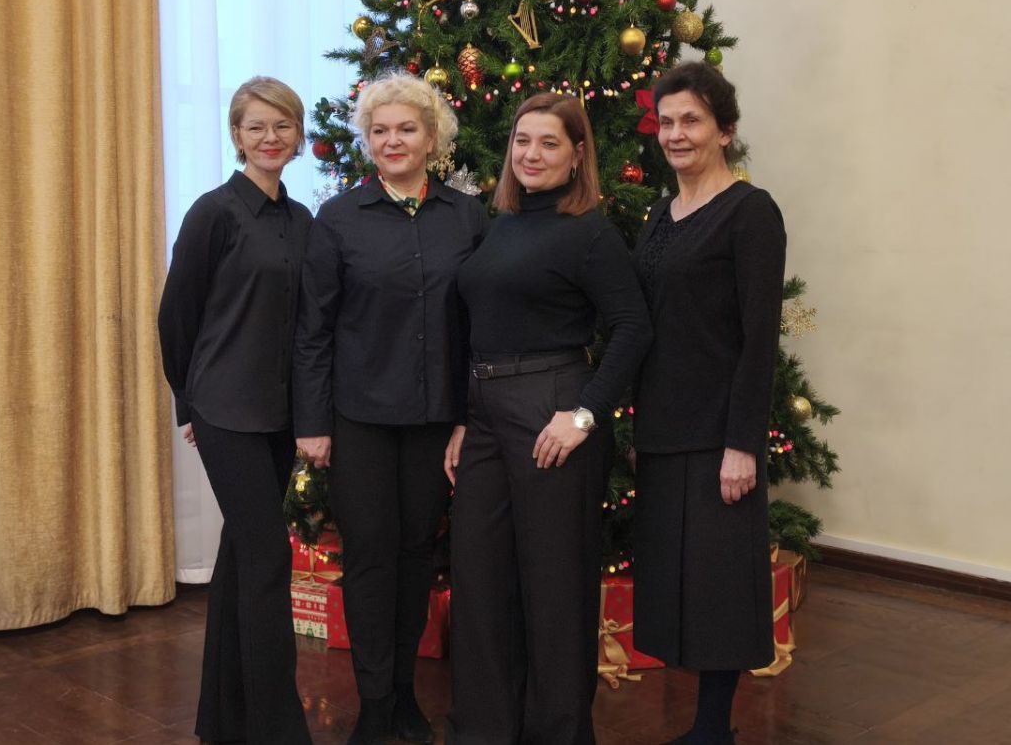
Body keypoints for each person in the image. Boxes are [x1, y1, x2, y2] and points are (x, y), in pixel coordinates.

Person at [446, 93, 652, 744]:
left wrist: (585, 414)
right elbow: (481, 324)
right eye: (522, 140)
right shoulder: (501, 223)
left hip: (552, 410)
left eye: (549, 143)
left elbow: (633, 327)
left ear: (578, 154)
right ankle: (485, 732)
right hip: (484, 414)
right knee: (480, 581)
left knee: (555, 589)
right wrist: (462, 419)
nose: (531, 154)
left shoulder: (590, 231)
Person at [292, 72, 488, 745]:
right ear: (367, 141)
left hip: (436, 421)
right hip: (361, 420)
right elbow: (313, 329)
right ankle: (375, 702)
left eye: (407, 129)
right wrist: (312, 424)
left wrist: (467, 418)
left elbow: (479, 324)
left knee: (415, 558)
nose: (393, 140)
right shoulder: (339, 218)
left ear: (432, 139)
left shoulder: (465, 217)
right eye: (380, 131)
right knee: (372, 559)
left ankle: (404, 693)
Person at [631, 62, 786, 745]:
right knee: (678, 584)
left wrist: (742, 444)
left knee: (719, 587)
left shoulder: (751, 213)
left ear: (725, 130)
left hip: (719, 435)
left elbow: (759, 339)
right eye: (665, 121)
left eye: (690, 120)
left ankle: (713, 730)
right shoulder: (659, 213)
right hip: (663, 430)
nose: (675, 134)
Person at [157, 76, 313, 745]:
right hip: (225, 410)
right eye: (257, 127)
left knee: (242, 555)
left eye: (282, 126)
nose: (270, 137)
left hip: (280, 414)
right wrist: (190, 404)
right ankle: (277, 728)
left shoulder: (303, 222)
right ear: (237, 137)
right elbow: (176, 316)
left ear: (298, 136)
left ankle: (223, 719)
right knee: (268, 554)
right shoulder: (213, 213)